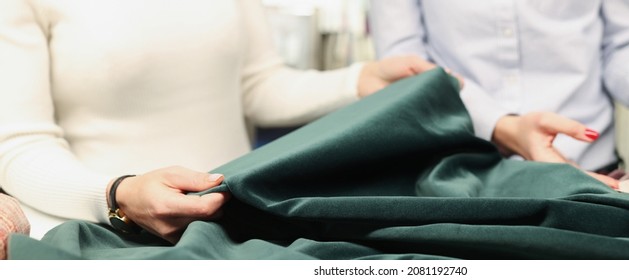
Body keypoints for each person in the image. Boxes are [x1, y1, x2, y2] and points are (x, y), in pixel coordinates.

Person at [0, 0, 443, 243]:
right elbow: (19, 146)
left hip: (234, 226)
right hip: (104, 235)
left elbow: (257, 87)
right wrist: (119, 194)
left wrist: (358, 81)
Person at [369, 1, 629, 188]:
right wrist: (501, 127)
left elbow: (623, 43)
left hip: (590, 177)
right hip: (456, 173)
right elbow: (404, 64)